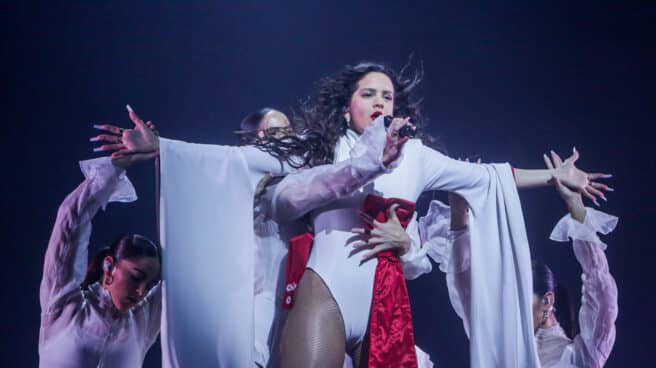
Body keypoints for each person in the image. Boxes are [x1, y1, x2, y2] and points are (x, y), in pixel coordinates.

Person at [264, 62, 611, 367]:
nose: (380, 101)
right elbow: (283, 201)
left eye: (387, 96)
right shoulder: (323, 147)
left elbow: (490, 176)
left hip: (384, 303)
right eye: (368, 94)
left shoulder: (415, 156)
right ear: (345, 108)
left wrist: (554, 176)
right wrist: (363, 166)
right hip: (326, 291)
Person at [418, 151, 618, 367]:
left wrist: (575, 206)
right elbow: (466, 291)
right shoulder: (500, 344)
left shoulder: (579, 356)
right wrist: (459, 213)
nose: (511, 306)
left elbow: (600, 293)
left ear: (547, 301)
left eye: (518, 298)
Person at [38, 152, 162, 367]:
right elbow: (71, 219)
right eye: (136, 277)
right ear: (109, 266)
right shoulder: (63, 307)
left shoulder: (143, 322)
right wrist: (124, 160)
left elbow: (194, 263)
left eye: (149, 285)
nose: (142, 292)